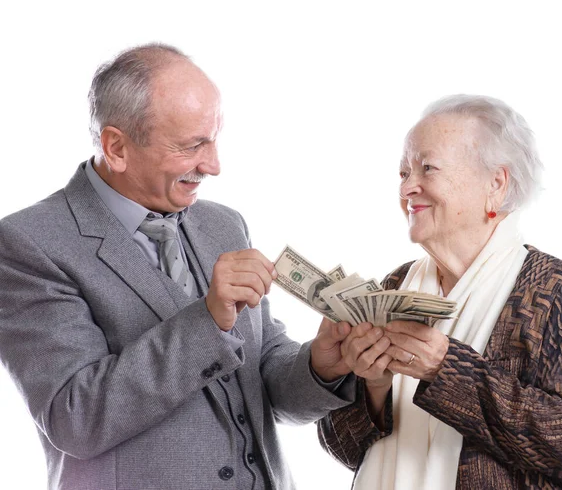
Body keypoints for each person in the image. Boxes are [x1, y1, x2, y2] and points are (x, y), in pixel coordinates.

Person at [0, 43, 356, 490]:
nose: (214, 165)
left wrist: (320, 365)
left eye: (214, 138)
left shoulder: (224, 224)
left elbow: (261, 378)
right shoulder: (29, 243)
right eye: (192, 146)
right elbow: (75, 418)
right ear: (116, 147)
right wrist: (207, 321)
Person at [317, 94, 562, 489]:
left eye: (427, 168)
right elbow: (342, 448)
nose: (407, 188)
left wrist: (444, 369)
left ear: (495, 184)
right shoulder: (395, 285)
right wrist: (375, 387)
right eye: (403, 173)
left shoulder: (556, 288)